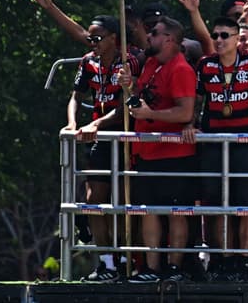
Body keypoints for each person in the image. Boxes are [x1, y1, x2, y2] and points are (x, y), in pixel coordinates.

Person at [189, 16, 248, 281]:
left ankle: (244, 262)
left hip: (245, 143)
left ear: (236, 38)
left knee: (247, 207)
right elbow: (197, 99)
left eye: (224, 36)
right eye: (215, 35)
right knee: (217, 206)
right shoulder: (205, 65)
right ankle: (222, 260)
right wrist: (191, 124)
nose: (218, 40)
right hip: (214, 144)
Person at [120, 17, 197, 282]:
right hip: (146, 151)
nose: (148, 36)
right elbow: (139, 99)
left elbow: (186, 111)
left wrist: (152, 113)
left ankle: (174, 267)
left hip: (174, 154)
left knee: (177, 212)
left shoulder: (181, 69)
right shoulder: (151, 63)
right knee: (148, 210)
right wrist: (129, 85)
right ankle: (151, 269)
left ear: (169, 40)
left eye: (154, 33)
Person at [66, 15, 140, 282]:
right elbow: (76, 95)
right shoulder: (89, 62)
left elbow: (126, 107)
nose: (92, 42)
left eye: (98, 38)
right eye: (91, 38)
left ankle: (123, 259)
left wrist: (97, 123)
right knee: (94, 200)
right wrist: (73, 123)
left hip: (123, 138)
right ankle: (105, 263)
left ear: (113, 38)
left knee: (121, 202)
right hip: (98, 139)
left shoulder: (128, 62)